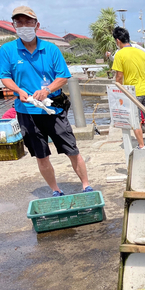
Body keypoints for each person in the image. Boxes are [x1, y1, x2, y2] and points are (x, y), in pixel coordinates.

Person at [0, 6, 92, 197]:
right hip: (26, 112)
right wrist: (18, 90)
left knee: (72, 150)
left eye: (28, 22)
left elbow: (63, 76)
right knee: (41, 155)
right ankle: (55, 189)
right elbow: (5, 76)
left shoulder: (51, 49)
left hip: (54, 110)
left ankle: (86, 185)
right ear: (14, 25)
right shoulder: (7, 50)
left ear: (37, 25)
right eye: (19, 22)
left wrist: (48, 89)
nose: (24, 26)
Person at [111, 26, 145, 149]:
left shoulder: (119, 55)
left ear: (117, 40)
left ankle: (141, 145)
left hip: (133, 92)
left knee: (136, 120)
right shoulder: (142, 53)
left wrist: (118, 91)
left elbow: (119, 76)